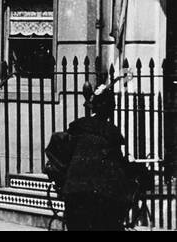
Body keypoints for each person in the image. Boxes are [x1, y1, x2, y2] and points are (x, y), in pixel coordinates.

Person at [58, 83, 135, 231]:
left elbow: (66, 156)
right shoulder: (110, 132)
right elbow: (119, 166)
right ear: (109, 109)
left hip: (74, 194)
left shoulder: (78, 126)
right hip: (99, 198)